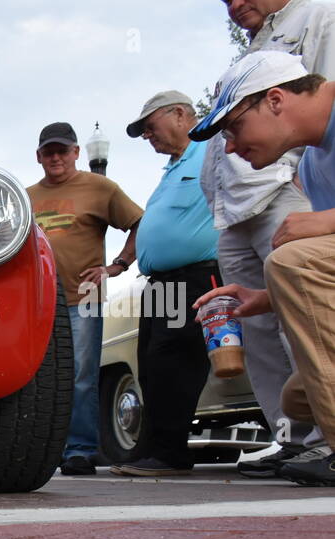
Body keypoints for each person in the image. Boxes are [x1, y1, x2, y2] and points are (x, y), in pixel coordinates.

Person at [201, 0, 335, 477]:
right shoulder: (317, 164)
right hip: (247, 209)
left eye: (234, 128)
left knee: (292, 263)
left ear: (276, 100)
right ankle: (303, 439)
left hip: (281, 205)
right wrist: (261, 298)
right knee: (296, 397)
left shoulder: (319, 15)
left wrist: (327, 222)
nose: (231, 147)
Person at [110, 92, 221, 477]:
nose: (147, 136)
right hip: (160, 283)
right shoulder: (172, 169)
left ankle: (170, 453)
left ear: (179, 114)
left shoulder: (212, 150)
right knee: (152, 364)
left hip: (194, 275)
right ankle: (159, 448)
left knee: (175, 360)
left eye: (149, 126)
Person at [27, 122, 143, 476]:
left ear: (77, 152)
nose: (56, 157)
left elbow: (141, 223)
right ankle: (43, 448)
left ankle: (80, 449)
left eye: (63, 150)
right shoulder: (25, 196)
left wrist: (117, 265)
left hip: (84, 297)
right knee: (36, 376)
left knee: (81, 375)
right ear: (39, 157)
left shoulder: (100, 188)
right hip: (37, 302)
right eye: (49, 152)